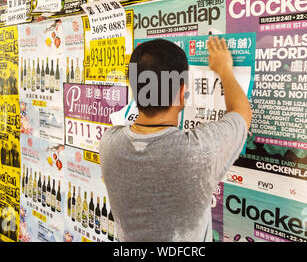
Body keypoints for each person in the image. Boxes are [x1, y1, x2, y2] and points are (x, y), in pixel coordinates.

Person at [99, 37, 252, 242]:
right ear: (181, 92)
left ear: (136, 90)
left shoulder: (109, 143)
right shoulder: (197, 152)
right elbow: (242, 113)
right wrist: (224, 69)